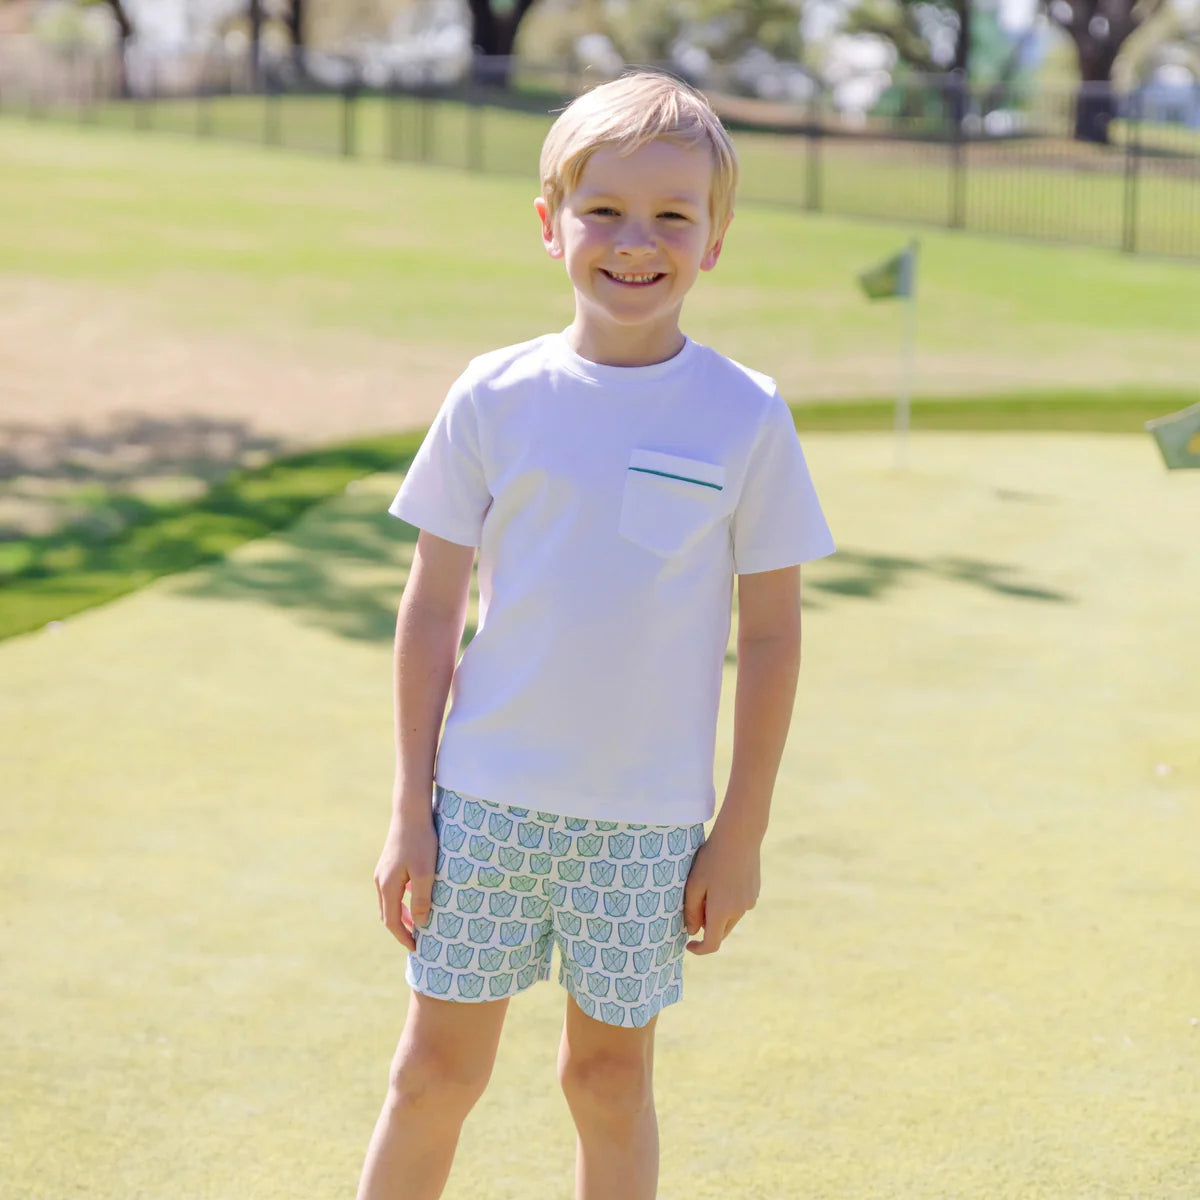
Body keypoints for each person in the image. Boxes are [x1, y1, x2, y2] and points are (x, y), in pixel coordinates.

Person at [356, 70, 835, 1200]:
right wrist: (409, 809)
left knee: (609, 1083)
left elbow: (772, 637)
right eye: (604, 210)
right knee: (432, 1075)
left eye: (673, 215)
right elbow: (431, 607)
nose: (636, 242)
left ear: (715, 238)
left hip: (647, 828)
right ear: (549, 222)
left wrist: (741, 832)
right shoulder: (493, 395)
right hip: (483, 807)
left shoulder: (747, 413)